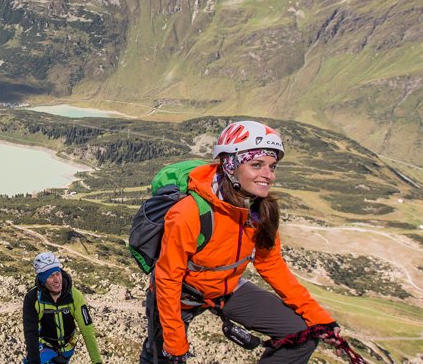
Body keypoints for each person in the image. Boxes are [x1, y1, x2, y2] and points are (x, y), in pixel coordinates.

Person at [141, 121, 341, 364]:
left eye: (272, 166)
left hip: (226, 288)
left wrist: (316, 316)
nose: (268, 175)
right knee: (161, 358)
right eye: (256, 165)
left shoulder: (261, 210)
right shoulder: (189, 212)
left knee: (302, 336)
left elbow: (271, 264)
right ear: (230, 166)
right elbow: (168, 277)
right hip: (179, 294)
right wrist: (175, 343)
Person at [24, 252, 103, 364]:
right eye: (51, 276)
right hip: (44, 346)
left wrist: (97, 362)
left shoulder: (74, 296)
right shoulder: (32, 298)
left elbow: (87, 331)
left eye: (58, 273)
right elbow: (31, 332)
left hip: (67, 347)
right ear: (42, 280)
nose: (57, 280)